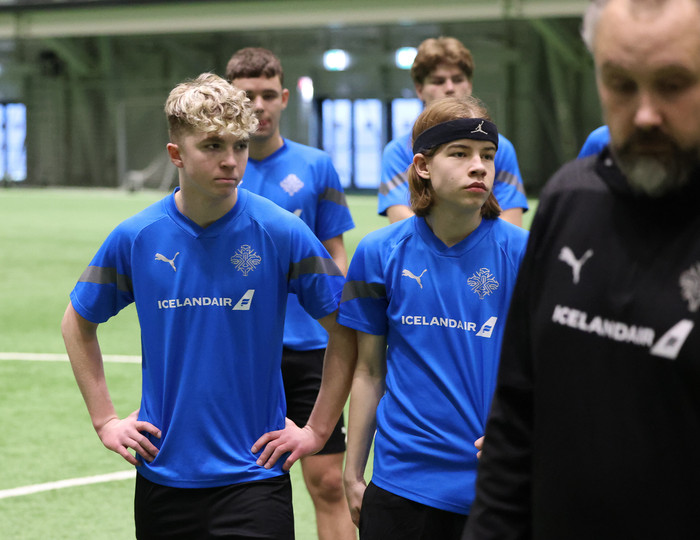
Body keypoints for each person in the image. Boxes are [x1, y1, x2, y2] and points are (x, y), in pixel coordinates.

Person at [61, 72, 355, 540]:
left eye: (239, 146)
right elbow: (77, 323)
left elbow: (346, 326)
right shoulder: (137, 237)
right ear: (176, 154)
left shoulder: (281, 231)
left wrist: (317, 431)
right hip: (163, 475)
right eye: (213, 146)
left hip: (255, 476)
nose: (231, 160)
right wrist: (106, 421)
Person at [463, 1, 700, 538]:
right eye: (621, 83)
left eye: (673, 84)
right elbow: (516, 415)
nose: (645, 114)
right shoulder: (569, 201)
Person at [338, 96, 528, 539]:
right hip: (401, 485)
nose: (478, 167)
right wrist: (353, 472)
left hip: (496, 486)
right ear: (423, 166)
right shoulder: (378, 252)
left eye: (487, 155)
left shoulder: (524, 253)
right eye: (460, 154)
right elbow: (368, 371)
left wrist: (527, 431)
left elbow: (554, 365)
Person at [225, 47, 357, 540]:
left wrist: (344, 321)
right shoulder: (219, 169)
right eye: (246, 96)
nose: (258, 106)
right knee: (243, 475)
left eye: (267, 95)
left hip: (310, 347)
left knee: (327, 482)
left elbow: (335, 251)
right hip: (241, 349)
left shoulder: (316, 166)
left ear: (283, 98)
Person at [378, 36, 529, 226]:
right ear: (419, 89)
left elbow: (511, 221)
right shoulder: (399, 151)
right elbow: (400, 221)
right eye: (438, 81)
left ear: (469, 85)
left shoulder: (501, 148)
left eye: (458, 79)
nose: (450, 88)